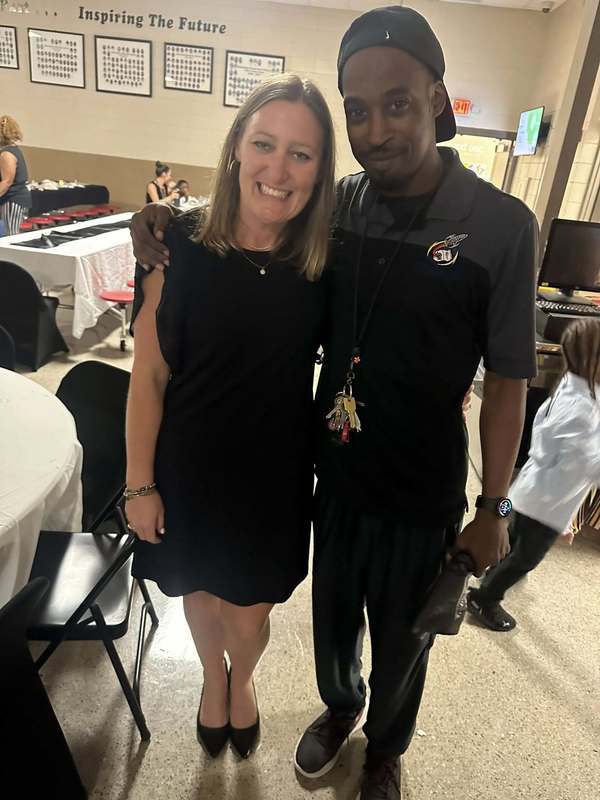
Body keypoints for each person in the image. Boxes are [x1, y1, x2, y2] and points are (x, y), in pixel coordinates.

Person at [130, 8, 537, 798]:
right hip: (332, 472)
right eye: (358, 109)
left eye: (398, 103)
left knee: (405, 638)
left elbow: (510, 378)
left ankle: (386, 747)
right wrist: (160, 220)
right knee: (331, 626)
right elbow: (249, 224)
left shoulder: (501, 226)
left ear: (438, 98)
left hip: (420, 483)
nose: (377, 128)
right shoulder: (340, 209)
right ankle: (339, 706)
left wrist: (495, 504)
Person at [125, 74, 335, 761]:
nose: (279, 169)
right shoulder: (176, 245)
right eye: (264, 144)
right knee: (199, 591)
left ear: (319, 171)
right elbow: (149, 375)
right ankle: (212, 684)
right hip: (187, 463)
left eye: (301, 154)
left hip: (274, 472)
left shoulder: (324, 262)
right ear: (237, 148)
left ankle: (240, 677)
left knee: (248, 613)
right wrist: (138, 483)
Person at [467, 319, 600, 632]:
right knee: (525, 559)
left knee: (511, 541)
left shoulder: (573, 386)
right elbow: (583, 462)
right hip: (546, 505)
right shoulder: (582, 408)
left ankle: (484, 573)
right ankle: (485, 598)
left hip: (531, 490)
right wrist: (565, 522)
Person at [0, 115, 31, 235]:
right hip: (15, 199)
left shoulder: (6, 153)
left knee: (11, 235)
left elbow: (7, 182)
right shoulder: (13, 149)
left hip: (13, 200)